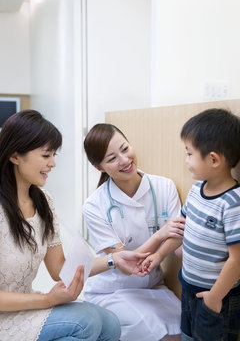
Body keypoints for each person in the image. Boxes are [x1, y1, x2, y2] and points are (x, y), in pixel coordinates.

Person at [0, 110, 150, 341]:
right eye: (46, 155)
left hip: (26, 306)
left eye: (53, 155)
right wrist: (47, 300)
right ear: (15, 156)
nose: (52, 163)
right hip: (6, 316)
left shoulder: (43, 202)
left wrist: (114, 259)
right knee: (85, 324)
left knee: (110, 323)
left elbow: (59, 269)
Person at [142, 108, 240, 341]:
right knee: (188, 336)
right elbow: (180, 230)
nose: (186, 161)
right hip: (188, 287)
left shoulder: (233, 203)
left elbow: (237, 259)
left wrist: (215, 297)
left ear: (214, 159)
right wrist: (159, 255)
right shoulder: (196, 190)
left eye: (189, 153)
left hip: (219, 297)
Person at [83, 123, 185, 341]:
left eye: (125, 148)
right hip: (112, 290)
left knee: (183, 330)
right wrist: (159, 235)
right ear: (99, 168)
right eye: (111, 159)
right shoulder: (94, 206)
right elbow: (125, 265)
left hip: (153, 285)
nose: (124, 160)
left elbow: (177, 235)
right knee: (161, 335)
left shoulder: (164, 187)